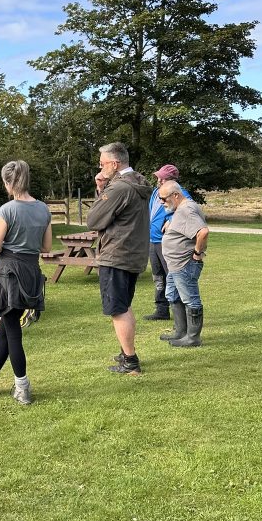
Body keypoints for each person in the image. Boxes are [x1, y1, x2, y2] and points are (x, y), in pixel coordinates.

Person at [0, 160, 52, 405]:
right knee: (7, 330)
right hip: (30, 272)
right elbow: (46, 247)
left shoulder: (7, 210)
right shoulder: (43, 209)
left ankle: (22, 387)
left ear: (8, 182)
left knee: (12, 332)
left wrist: (2, 244)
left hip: (8, 274)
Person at [86, 142, 151, 375]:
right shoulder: (138, 182)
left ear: (115, 163)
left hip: (116, 254)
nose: (100, 167)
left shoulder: (119, 189)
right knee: (124, 306)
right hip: (132, 253)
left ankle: (131, 362)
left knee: (118, 309)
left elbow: (93, 220)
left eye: (102, 163)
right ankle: (127, 353)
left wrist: (103, 190)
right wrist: (103, 186)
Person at [157, 179, 209, 347]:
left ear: (176, 195)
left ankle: (192, 338)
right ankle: (181, 332)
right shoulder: (182, 209)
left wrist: (197, 254)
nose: (161, 202)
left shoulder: (186, 209)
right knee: (172, 295)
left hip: (185, 264)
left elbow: (203, 232)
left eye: (164, 199)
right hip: (175, 265)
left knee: (190, 299)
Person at [145, 163, 191, 321]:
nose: (158, 180)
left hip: (167, 242)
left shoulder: (180, 193)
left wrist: (171, 220)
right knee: (158, 276)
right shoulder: (155, 193)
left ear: (169, 179)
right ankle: (161, 309)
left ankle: (180, 315)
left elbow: (186, 209)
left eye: (160, 178)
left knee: (172, 277)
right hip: (153, 240)